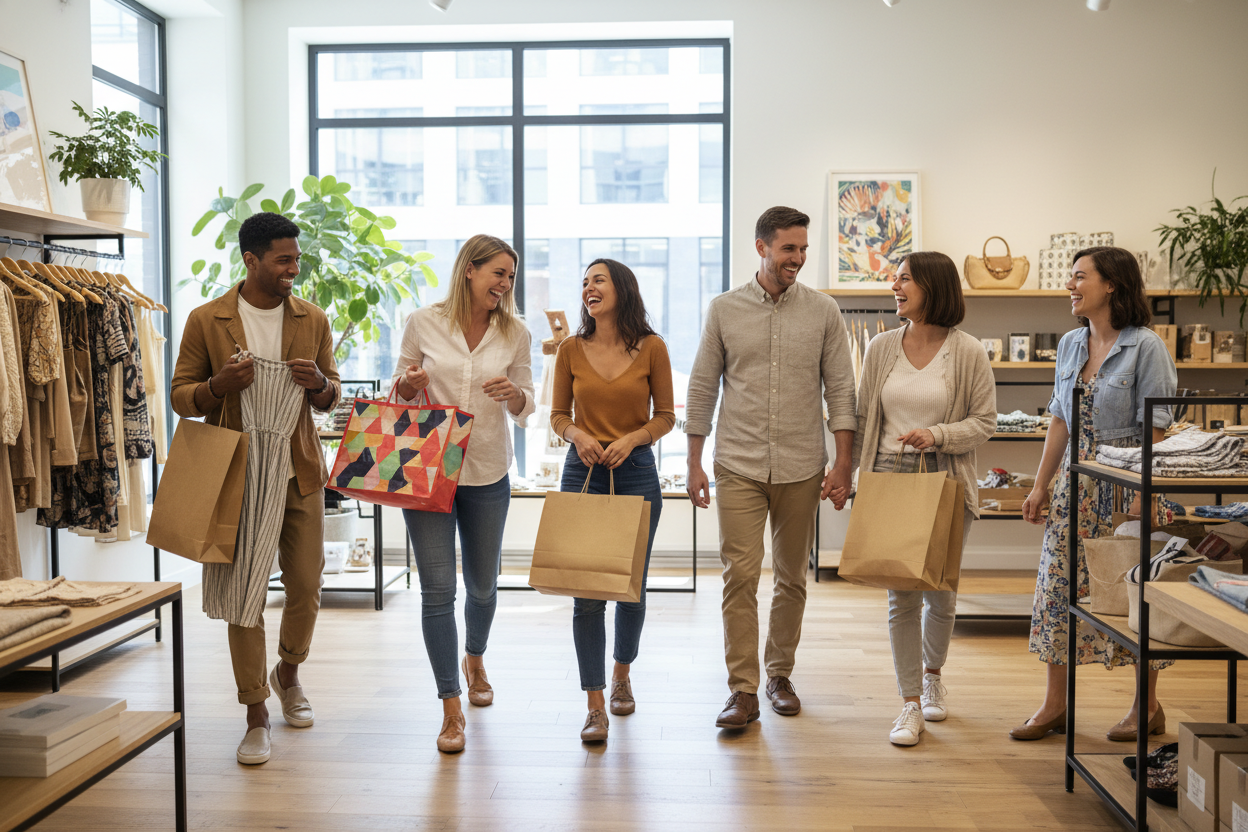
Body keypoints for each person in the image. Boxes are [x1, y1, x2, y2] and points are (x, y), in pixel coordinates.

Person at [170, 212, 341, 765]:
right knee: (245, 592)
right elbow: (181, 395)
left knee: (307, 585)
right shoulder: (207, 319)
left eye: (296, 258)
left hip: (299, 467)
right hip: (236, 469)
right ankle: (255, 711)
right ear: (251, 260)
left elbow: (331, 393)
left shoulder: (311, 318)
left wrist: (319, 384)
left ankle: (288, 670)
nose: (294, 268)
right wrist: (218, 386)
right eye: (283, 260)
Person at [685, 205, 857, 729]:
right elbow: (701, 386)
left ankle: (779, 673)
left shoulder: (824, 311)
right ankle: (742, 690)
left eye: (803, 249)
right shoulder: (723, 309)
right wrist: (693, 461)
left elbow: (842, 391)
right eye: (789, 249)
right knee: (739, 576)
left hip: (803, 466)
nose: (798, 259)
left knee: (791, 578)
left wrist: (843, 463)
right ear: (762, 247)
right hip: (737, 462)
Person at [1013, 246, 1177, 741]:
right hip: (1075, 484)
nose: (1070, 284)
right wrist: (1040, 486)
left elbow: (1158, 424)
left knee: (1131, 596)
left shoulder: (1146, 346)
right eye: (1070, 276)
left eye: (1079, 276)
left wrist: (1142, 493)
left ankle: (1146, 707)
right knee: (1057, 590)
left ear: (1111, 285)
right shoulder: (1069, 344)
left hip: (1127, 483)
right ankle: (1054, 705)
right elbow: (1060, 420)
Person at [392, 234, 535, 754]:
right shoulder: (423, 322)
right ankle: (450, 707)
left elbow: (527, 403)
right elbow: (398, 391)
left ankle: (475, 657)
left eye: (511, 276)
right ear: (469, 271)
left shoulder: (515, 331)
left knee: (481, 585)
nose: (504, 284)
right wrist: (409, 384)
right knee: (436, 591)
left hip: (487, 470)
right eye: (498, 273)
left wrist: (515, 395)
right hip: (428, 472)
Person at [851, 252, 996, 746]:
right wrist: (853, 477)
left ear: (932, 286)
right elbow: (864, 416)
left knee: (941, 592)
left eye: (905, 278)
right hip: (891, 478)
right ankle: (909, 701)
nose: (895, 285)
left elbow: (985, 422)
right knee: (901, 596)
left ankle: (934, 674)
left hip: (946, 480)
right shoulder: (881, 348)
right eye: (895, 278)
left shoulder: (969, 351)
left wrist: (937, 434)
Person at [550, 258, 675, 743]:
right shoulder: (569, 350)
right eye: (584, 282)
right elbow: (559, 414)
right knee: (586, 593)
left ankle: (622, 673)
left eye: (598, 280)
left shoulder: (652, 347)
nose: (588, 288)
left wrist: (635, 439)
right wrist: (577, 435)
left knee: (631, 586)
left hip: (637, 472)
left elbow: (665, 415)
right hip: (582, 471)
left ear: (622, 288)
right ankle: (595, 702)